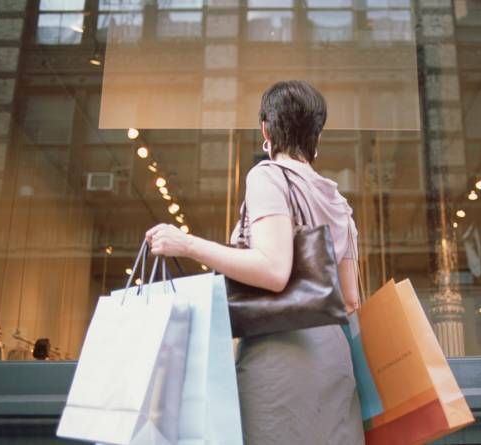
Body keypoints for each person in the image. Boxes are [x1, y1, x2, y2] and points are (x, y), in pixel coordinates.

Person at [146, 80, 364, 444]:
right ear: (317, 136)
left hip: (280, 360)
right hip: (333, 364)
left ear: (266, 129)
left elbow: (273, 270)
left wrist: (186, 243)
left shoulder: (267, 176)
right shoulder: (337, 200)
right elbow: (352, 299)